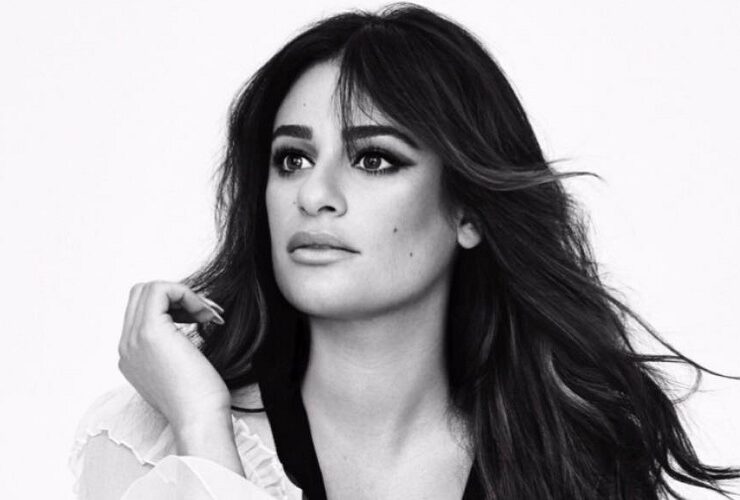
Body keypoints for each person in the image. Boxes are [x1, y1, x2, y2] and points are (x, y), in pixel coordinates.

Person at [70, 3, 739, 499]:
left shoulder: (571, 459)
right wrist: (201, 430)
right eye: (292, 159)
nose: (315, 195)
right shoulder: (147, 442)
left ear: (468, 210)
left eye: (374, 159)